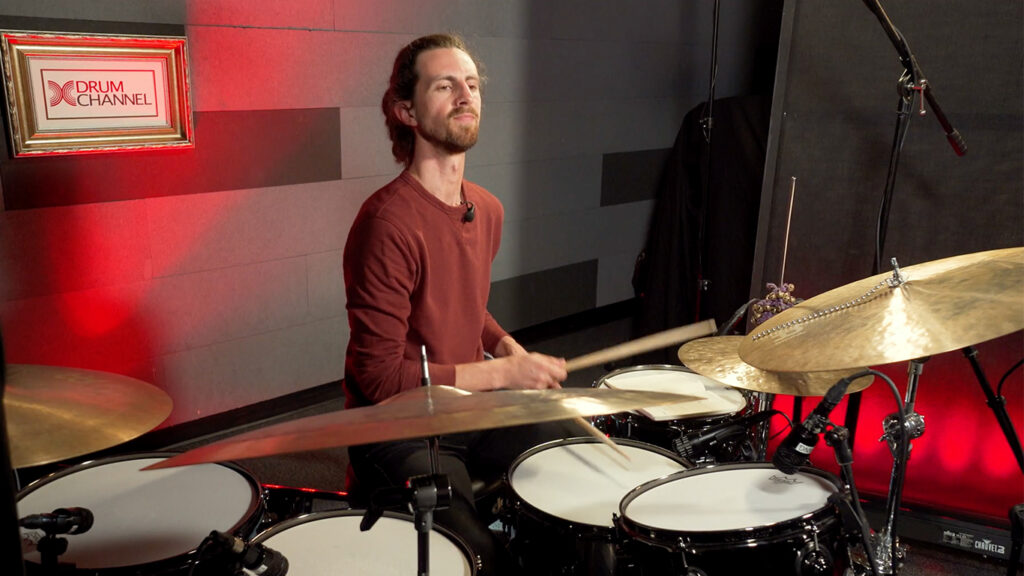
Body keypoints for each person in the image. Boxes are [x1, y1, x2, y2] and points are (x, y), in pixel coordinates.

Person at [343, 33, 573, 575]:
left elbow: (466, 305)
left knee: (575, 472)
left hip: (472, 411)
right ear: (406, 111)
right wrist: (502, 374)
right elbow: (378, 378)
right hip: (399, 427)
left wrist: (505, 345)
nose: (466, 96)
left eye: (471, 84)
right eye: (445, 86)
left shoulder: (486, 209)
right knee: (474, 556)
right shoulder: (387, 223)